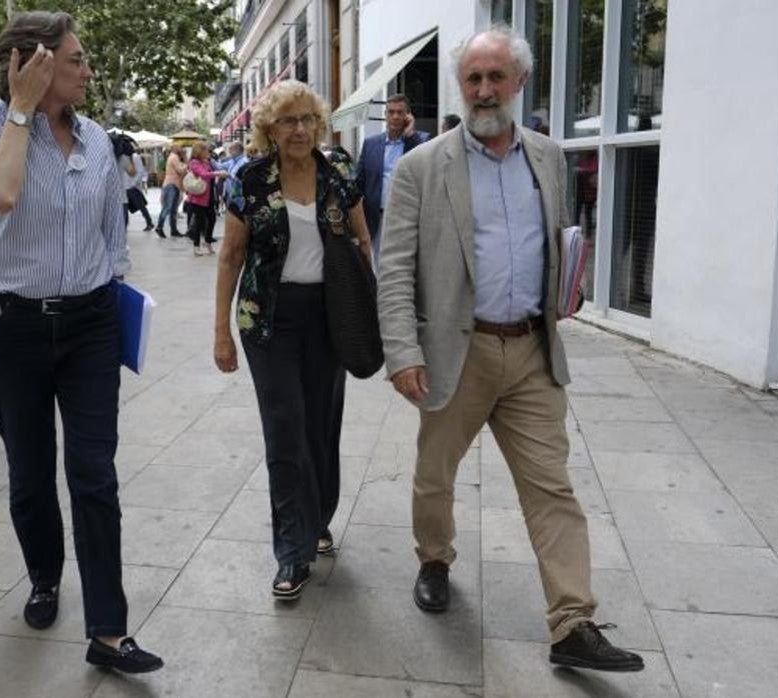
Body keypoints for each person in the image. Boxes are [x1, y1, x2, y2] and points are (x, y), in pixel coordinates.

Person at [377, 26, 644, 673]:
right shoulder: (421, 167)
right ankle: (435, 560)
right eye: (473, 78)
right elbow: (395, 266)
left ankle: (573, 622)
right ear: (460, 86)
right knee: (434, 477)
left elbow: (559, 240)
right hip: (454, 354)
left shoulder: (549, 158)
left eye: (497, 77)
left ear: (520, 82)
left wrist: (567, 286)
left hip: (529, 351)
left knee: (553, 489)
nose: (484, 90)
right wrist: (403, 351)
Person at [0, 10, 163, 674]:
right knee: (31, 473)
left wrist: (118, 298)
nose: (87, 69)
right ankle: (44, 575)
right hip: (9, 325)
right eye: (74, 60)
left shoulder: (98, 139)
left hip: (91, 325)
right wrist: (20, 110)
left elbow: (110, 235)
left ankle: (108, 630)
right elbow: (3, 195)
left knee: (94, 473)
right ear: (32, 64)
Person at [214, 79, 372, 601]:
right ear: (269, 128)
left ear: (319, 124)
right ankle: (292, 549)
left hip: (329, 317)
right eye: (288, 120)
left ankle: (318, 516)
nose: (300, 129)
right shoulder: (251, 179)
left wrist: (373, 311)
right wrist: (222, 332)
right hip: (269, 319)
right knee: (286, 429)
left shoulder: (339, 173)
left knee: (322, 425)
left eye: (308, 119)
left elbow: (362, 241)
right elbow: (231, 256)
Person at [355, 93, 429, 258]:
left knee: (405, 261)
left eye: (400, 112)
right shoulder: (370, 144)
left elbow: (427, 167)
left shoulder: (421, 141)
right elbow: (359, 183)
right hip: (376, 218)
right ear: (385, 115)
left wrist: (411, 135)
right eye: (391, 112)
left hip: (407, 218)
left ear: (408, 116)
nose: (395, 116)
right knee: (377, 265)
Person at [184, 141, 226, 256]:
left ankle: (207, 242)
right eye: (206, 150)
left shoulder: (207, 162)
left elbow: (214, 170)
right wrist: (218, 173)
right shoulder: (194, 163)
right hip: (198, 198)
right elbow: (203, 174)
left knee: (212, 219)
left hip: (209, 196)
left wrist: (216, 169)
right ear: (200, 151)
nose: (209, 152)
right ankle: (196, 246)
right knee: (199, 222)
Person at [155, 145, 187, 238]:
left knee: (173, 209)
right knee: (168, 207)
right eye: (180, 147)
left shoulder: (174, 157)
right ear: (175, 148)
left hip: (174, 185)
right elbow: (181, 170)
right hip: (171, 185)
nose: (181, 149)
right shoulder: (174, 157)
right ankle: (159, 227)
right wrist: (185, 163)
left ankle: (173, 230)